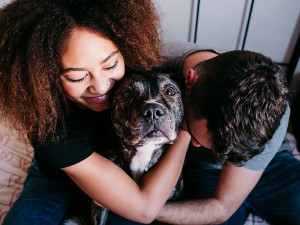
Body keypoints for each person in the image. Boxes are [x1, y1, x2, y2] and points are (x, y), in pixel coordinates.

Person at [0, 1, 191, 224]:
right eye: (77, 77)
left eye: (110, 65)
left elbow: (200, 64)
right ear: (45, 75)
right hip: (56, 178)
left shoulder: (140, 68)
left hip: (124, 174)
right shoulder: (48, 128)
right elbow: (145, 210)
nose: (101, 87)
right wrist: (186, 129)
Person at [156, 43, 300, 224]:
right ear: (190, 81)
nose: (195, 144)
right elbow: (220, 206)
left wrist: (150, 210)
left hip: (271, 165)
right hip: (204, 170)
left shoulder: (272, 109)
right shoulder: (157, 61)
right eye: (192, 133)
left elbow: (223, 207)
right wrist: (145, 208)